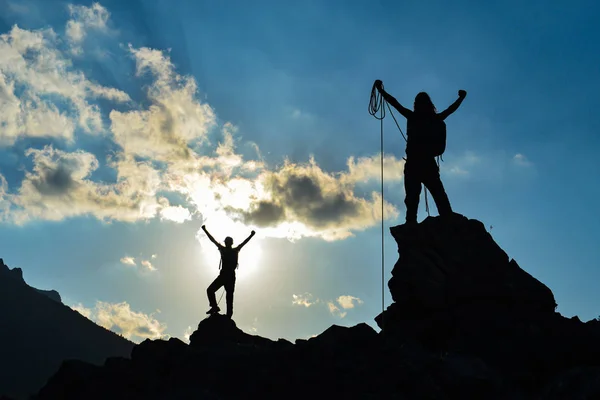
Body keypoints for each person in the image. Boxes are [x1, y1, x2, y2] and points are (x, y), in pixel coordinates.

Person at [375, 80, 466, 225]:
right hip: (421, 163)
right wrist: (461, 98)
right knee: (426, 194)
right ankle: (433, 218)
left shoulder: (415, 117)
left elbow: (395, 103)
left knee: (422, 194)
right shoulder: (431, 118)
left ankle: (416, 221)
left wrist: (381, 91)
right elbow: (450, 110)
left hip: (417, 163)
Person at [202, 225, 255, 318]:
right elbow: (212, 240)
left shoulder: (230, 250)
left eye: (227, 242)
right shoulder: (231, 250)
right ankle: (216, 308)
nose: (227, 243)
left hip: (227, 276)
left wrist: (251, 235)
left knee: (227, 296)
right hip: (227, 275)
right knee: (219, 293)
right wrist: (205, 230)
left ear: (229, 243)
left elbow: (213, 240)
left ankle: (225, 314)